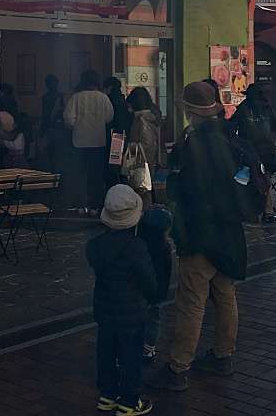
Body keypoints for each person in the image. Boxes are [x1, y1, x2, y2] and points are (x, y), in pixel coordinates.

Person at [150, 81, 246, 392]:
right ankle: (223, 355)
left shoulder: (191, 143)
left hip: (199, 231)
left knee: (192, 302)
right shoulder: (231, 136)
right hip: (229, 231)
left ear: (190, 112)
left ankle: (179, 366)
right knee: (225, 295)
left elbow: (181, 188)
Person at [86, 185, 157, 416]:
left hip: (105, 309)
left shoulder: (95, 247)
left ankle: (107, 394)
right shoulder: (136, 248)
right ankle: (129, 400)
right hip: (132, 312)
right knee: (130, 357)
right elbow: (148, 280)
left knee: (105, 352)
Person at [64, 70, 114, 217]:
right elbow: (109, 117)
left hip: (79, 141)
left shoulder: (76, 97)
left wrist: (77, 126)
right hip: (98, 141)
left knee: (79, 175)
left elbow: (68, 119)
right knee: (96, 176)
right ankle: (95, 206)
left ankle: (80, 205)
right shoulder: (103, 97)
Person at [230, 84, 276, 221]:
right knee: (264, 180)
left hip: (250, 151)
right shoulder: (266, 106)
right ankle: (266, 211)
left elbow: (231, 125)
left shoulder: (244, 107)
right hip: (268, 152)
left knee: (249, 180)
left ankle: (256, 211)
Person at [139, 205, 173, 364]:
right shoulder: (165, 249)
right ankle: (149, 348)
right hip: (156, 293)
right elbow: (166, 274)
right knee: (153, 320)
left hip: (138, 292)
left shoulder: (138, 246)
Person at [126, 87, 161, 212]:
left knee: (142, 191)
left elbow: (146, 142)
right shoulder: (150, 117)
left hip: (140, 162)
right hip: (148, 160)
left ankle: (142, 217)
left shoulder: (141, 120)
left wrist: (132, 154)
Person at [40, 74, 66, 168]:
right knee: (54, 152)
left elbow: (45, 114)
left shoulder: (47, 97)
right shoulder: (58, 96)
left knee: (51, 152)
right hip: (55, 126)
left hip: (52, 126)